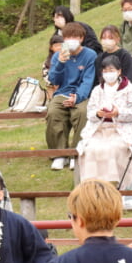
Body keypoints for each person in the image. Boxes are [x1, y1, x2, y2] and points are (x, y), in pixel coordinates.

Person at [76, 55, 132, 189]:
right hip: (100, 128)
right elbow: (90, 112)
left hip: (122, 129)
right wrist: (98, 113)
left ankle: (117, 184)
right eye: (105, 71)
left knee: (115, 148)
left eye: (111, 70)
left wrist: (118, 112)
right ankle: (93, 186)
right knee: (91, 148)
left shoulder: (129, 89)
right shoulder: (97, 90)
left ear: (119, 71)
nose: (108, 74)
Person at [46, 22, 97, 171]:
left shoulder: (90, 55)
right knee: (53, 112)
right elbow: (54, 80)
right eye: (67, 37)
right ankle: (59, 154)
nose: (70, 40)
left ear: (81, 38)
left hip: (82, 94)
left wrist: (77, 97)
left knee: (82, 112)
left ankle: (77, 152)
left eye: (74, 37)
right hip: (62, 92)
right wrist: (60, 63)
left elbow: (88, 80)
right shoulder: (58, 55)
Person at [97, 25, 132, 94]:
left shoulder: (125, 55)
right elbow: (99, 79)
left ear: (117, 39)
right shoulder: (99, 58)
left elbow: (129, 78)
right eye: (103, 38)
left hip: (126, 92)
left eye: (110, 38)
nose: (106, 40)